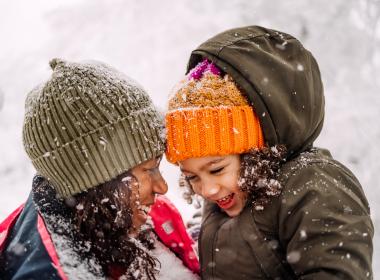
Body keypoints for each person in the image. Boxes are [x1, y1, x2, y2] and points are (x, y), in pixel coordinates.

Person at [165, 25, 374, 279]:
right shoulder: (223, 199)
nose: (207, 190)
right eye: (192, 177)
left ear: (254, 151)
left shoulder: (312, 185)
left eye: (216, 169)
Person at [0, 59, 199, 279]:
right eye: (148, 170)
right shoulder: (52, 273)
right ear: (98, 181)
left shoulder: (112, 220)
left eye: (157, 166)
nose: (162, 187)